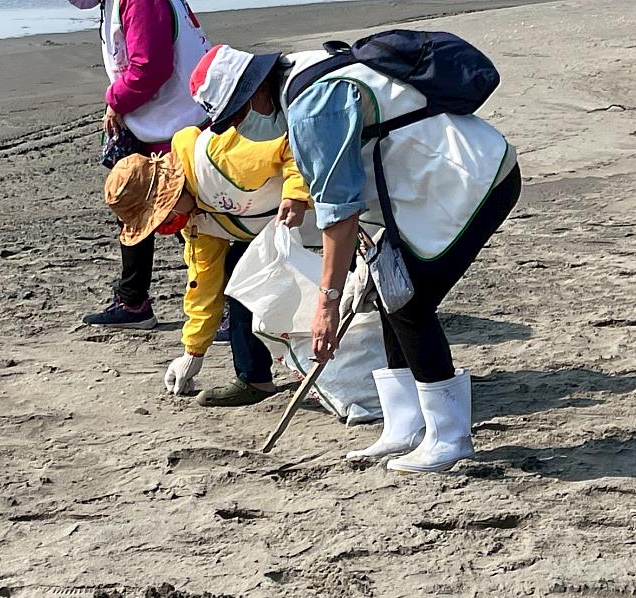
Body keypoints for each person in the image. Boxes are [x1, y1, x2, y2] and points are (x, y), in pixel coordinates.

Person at [189, 42, 521, 473]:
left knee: (409, 299)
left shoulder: (310, 106)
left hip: (472, 177)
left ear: (254, 91)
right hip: (426, 183)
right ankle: (405, 425)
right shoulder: (301, 74)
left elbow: (339, 211)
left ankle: (449, 436)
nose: (238, 128)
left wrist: (327, 303)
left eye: (235, 116)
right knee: (388, 290)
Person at [104, 115, 317, 406]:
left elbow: (292, 142)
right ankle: (254, 380)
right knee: (237, 274)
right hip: (282, 232)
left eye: (160, 215)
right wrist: (193, 352)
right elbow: (204, 283)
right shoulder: (195, 221)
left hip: (329, 213)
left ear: (168, 192)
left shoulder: (219, 157)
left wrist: (295, 195)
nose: (165, 225)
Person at [68, 0, 210, 329]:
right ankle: (133, 301)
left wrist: (116, 101)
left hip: (175, 124)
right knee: (133, 205)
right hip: (157, 120)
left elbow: (151, 67)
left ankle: (229, 308)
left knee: (188, 220)